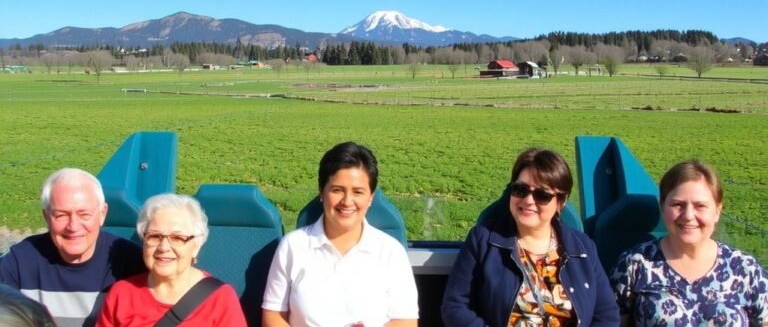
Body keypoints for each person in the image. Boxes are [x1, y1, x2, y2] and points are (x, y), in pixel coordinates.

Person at [441, 147, 619, 326]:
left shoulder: (582, 248)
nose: (528, 200)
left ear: (561, 202)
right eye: (520, 190)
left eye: (542, 195)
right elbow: (454, 306)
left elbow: (606, 315)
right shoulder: (483, 240)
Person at [262, 141, 419, 327]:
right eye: (337, 190)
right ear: (321, 192)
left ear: (371, 198)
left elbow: (406, 321)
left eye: (358, 192)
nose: (347, 201)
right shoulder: (293, 246)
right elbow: (273, 315)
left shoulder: (391, 252)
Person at [609, 160, 768, 326]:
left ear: (717, 211)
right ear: (662, 206)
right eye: (678, 204)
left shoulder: (744, 269)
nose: (688, 215)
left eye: (700, 206)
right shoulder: (635, 264)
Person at [0, 168, 146, 326]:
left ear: (102, 214)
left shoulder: (131, 262)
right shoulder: (20, 261)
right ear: (46, 217)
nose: (73, 226)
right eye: (61, 215)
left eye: (84, 214)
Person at [96, 193, 246, 326]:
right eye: (155, 236)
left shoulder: (220, 298)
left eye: (177, 238)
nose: (164, 247)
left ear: (196, 246)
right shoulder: (122, 294)